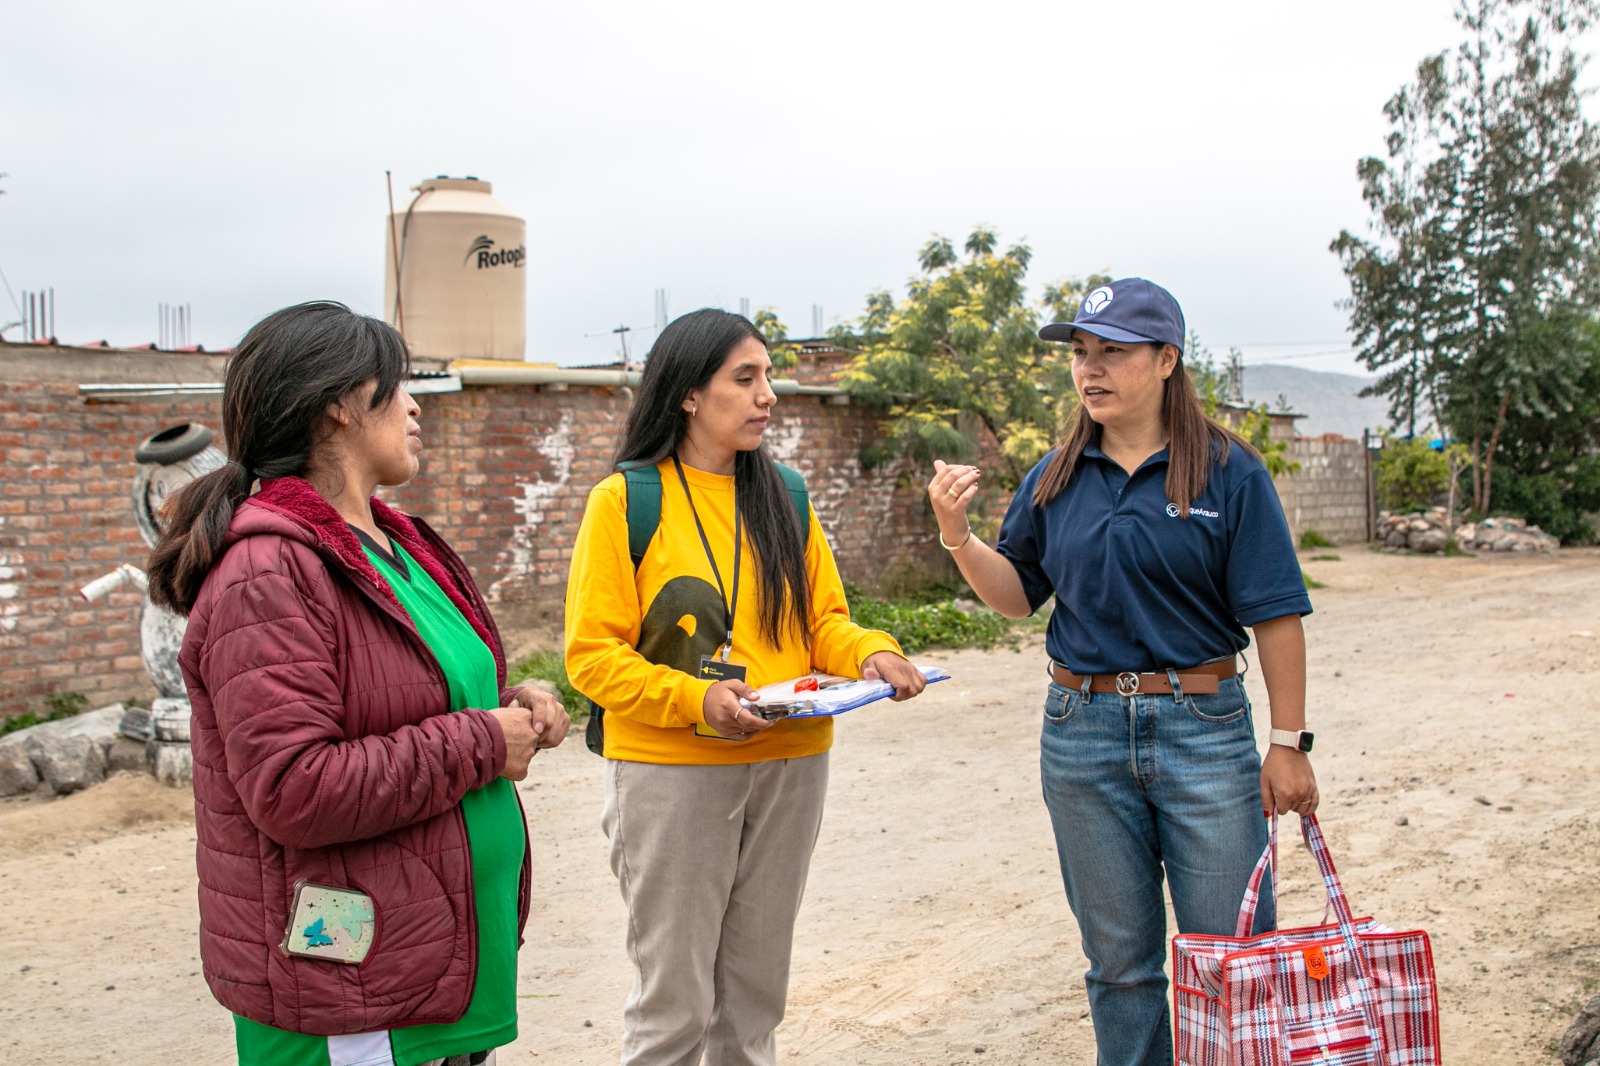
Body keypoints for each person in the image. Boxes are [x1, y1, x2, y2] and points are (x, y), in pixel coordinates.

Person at [146, 301, 570, 1066]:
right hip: (350, 991)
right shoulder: (268, 573)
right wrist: (481, 741)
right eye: (398, 384)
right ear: (339, 404)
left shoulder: (392, 545)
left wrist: (510, 706)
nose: (414, 406)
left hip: (424, 963)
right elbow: (294, 787)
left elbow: (416, 700)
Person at [926, 278, 1318, 1066]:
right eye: (1080, 353)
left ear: (1168, 359)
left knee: (1232, 957)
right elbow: (1016, 598)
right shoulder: (1054, 477)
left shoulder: (1229, 472)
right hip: (1082, 737)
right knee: (1120, 968)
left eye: (1113, 352)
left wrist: (1288, 741)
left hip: (1203, 731)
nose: (1090, 369)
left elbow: (1276, 612)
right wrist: (958, 535)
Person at [564, 307, 928, 1066]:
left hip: (791, 763)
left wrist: (872, 653)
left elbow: (824, 619)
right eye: (746, 377)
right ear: (689, 394)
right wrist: (698, 700)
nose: (768, 395)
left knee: (755, 999)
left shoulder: (784, 496)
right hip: (672, 774)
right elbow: (591, 657)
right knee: (675, 1007)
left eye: (768, 377)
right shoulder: (625, 503)